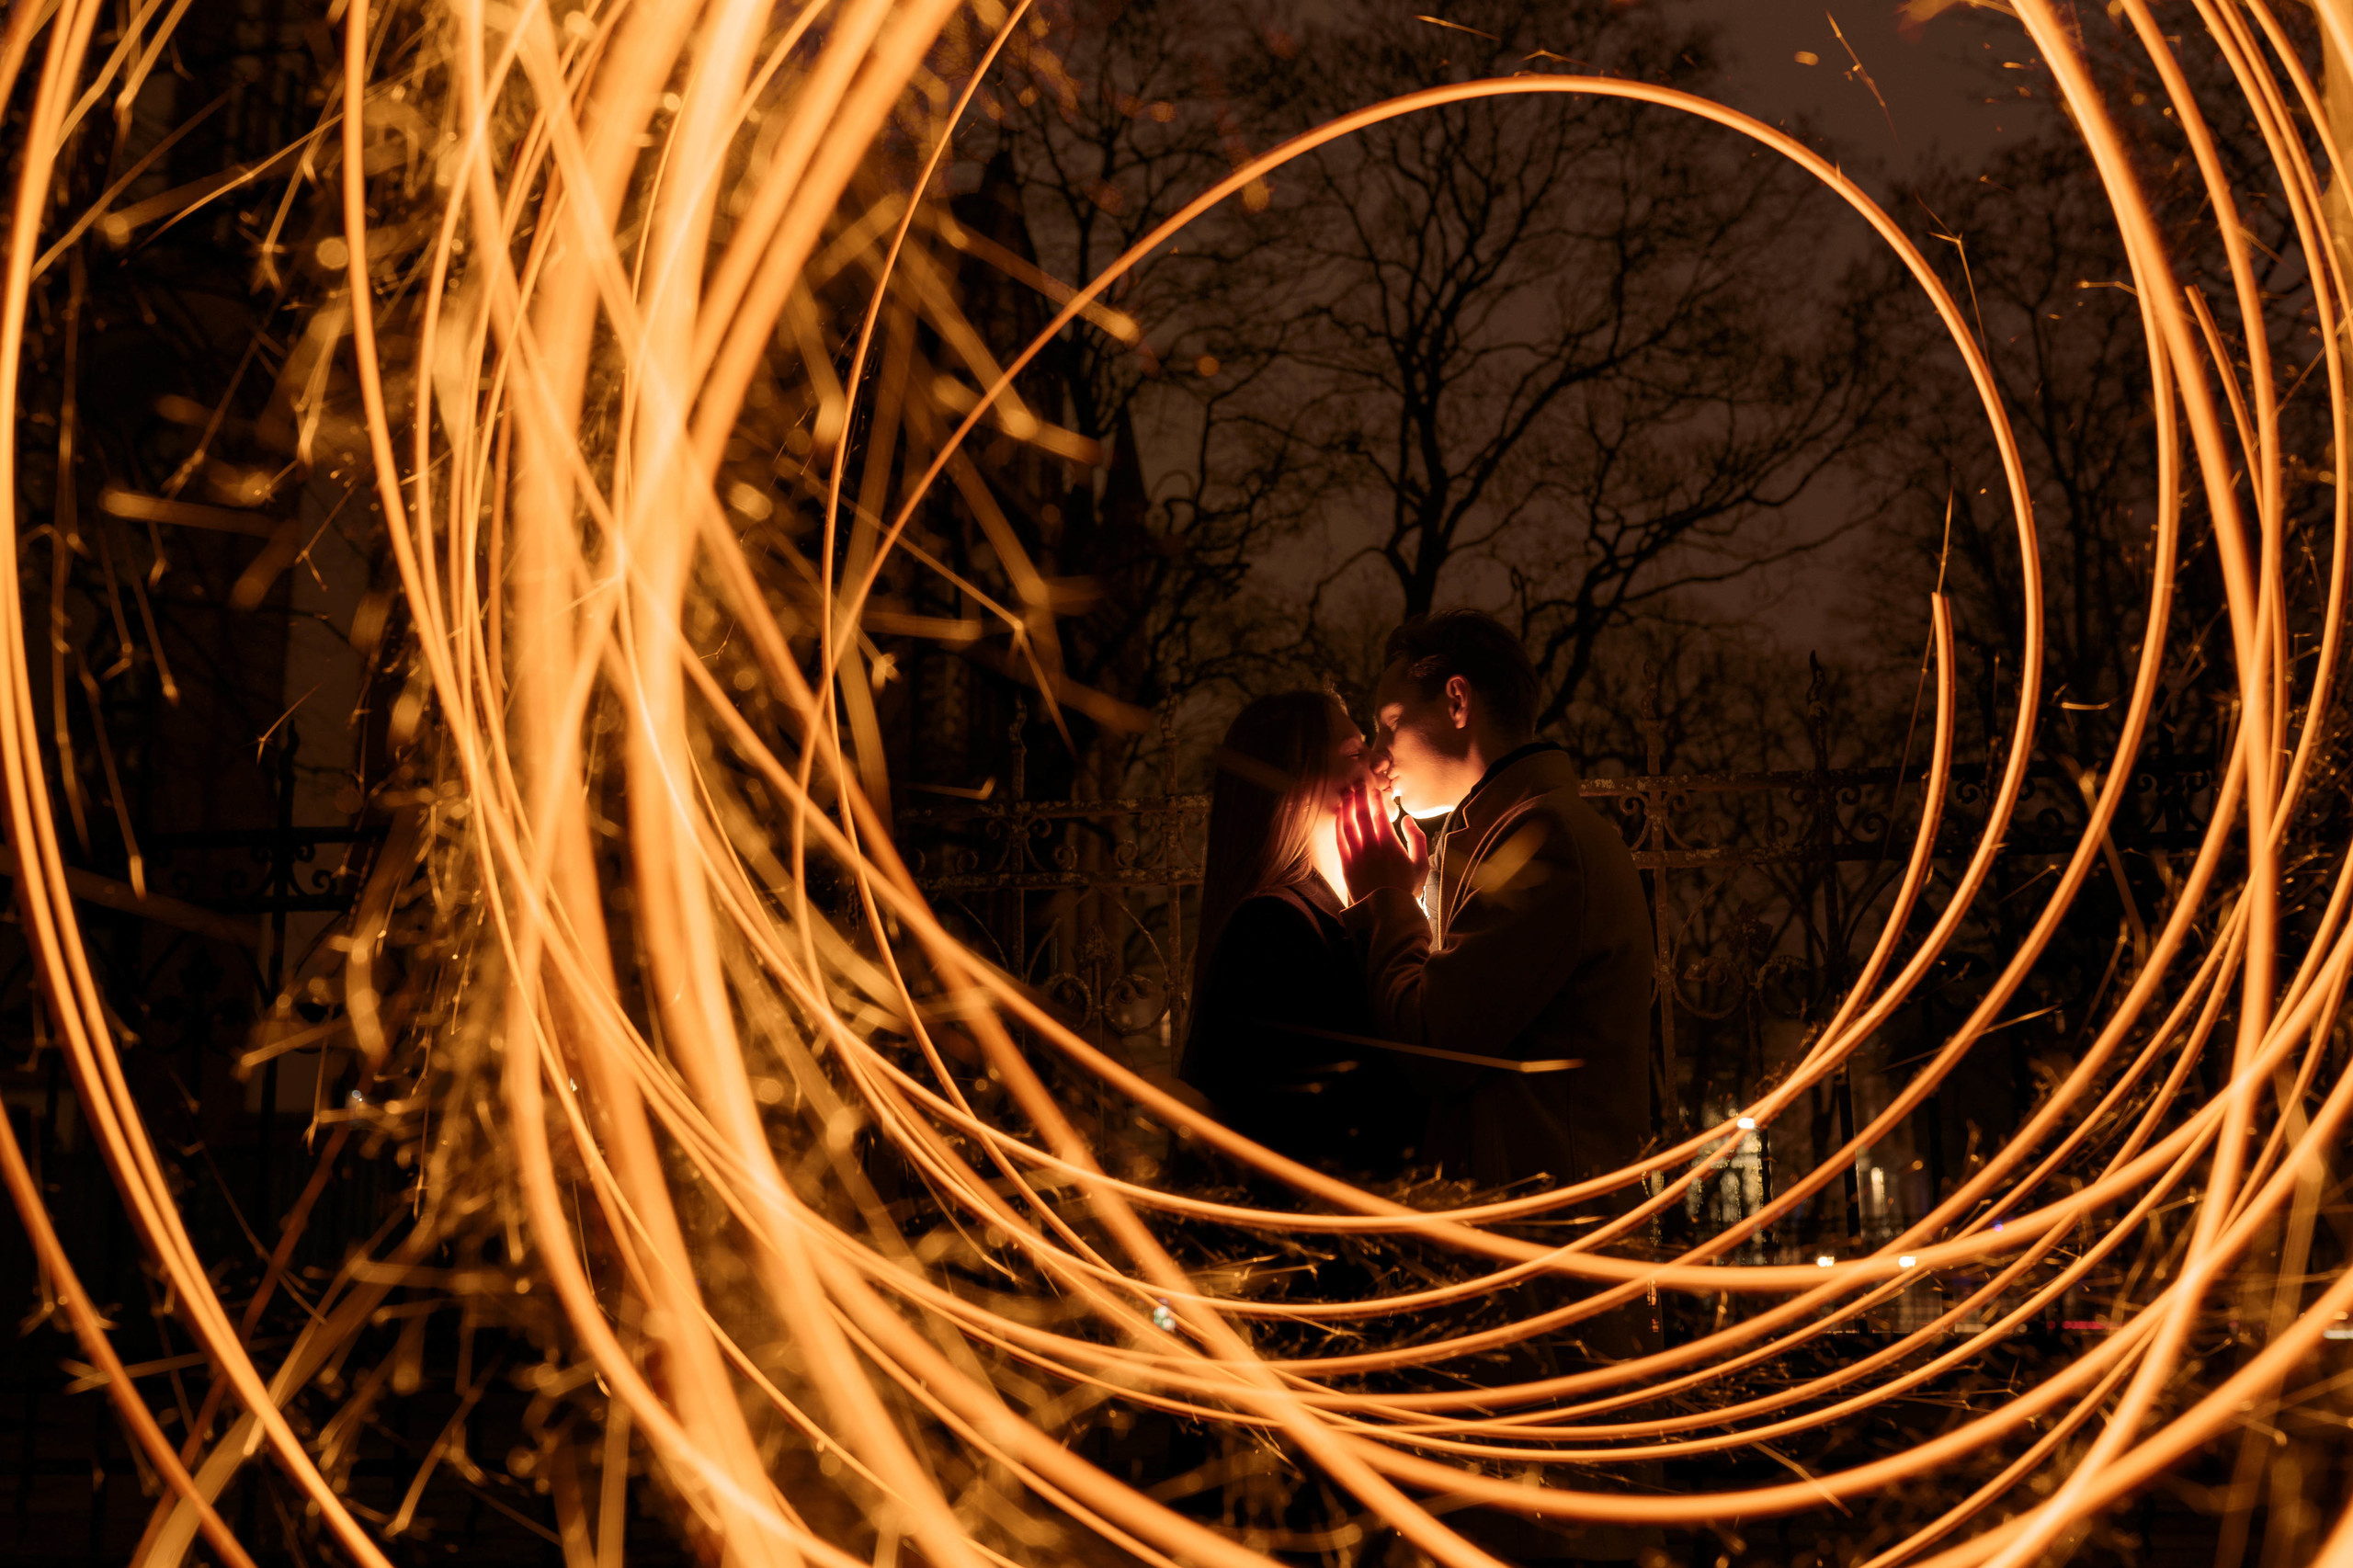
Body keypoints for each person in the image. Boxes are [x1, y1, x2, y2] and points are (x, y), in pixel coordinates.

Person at [1335, 609, 1654, 1193]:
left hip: (1542, 1231)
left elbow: (1434, 1045)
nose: (1378, 758)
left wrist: (1383, 899)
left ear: (1458, 702)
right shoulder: (1504, 837)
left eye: (1391, 723)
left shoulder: (1541, 842)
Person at [1177, 690, 1421, 1178]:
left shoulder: (1316, 914)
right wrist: (1393, 901)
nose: (1378, 762)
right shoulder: (1271, 929)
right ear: (1296, 786)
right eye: (1353, 753)